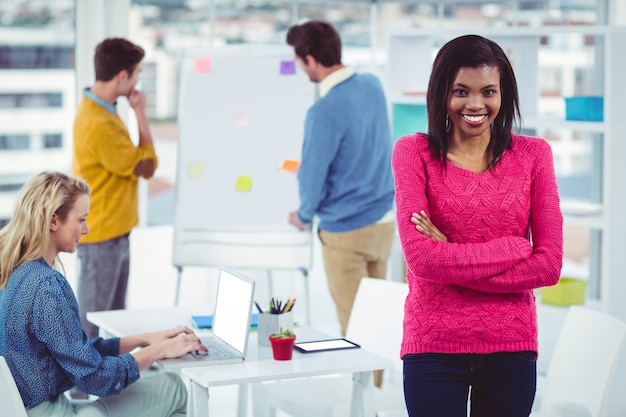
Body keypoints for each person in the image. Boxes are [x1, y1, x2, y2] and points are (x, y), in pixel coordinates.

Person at [392, 34, 563, 416]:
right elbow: (422, 260)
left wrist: (449, 256)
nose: (475, 104)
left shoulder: (535, 155)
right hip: (432, 345)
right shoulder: (413, 153)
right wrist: (514, 248)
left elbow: (549, 266)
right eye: (460, 91)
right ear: (441, 94)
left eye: (488, 91)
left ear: (504, 94)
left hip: (511, 347)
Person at [0, 171, 207, 416]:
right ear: (54, 221)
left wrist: (144, 339)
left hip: (37, 409)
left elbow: (77, 352)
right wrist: (158, 351)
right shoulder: (46, 288)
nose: (86, 229)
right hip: (52, 413)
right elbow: (95, 379)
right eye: (81, 219)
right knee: (173, 387)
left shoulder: (19, 273)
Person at [286, 20, 396, 338]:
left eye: (300, 61)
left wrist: (304, 214)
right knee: (378, 324)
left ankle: (365, 390)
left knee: (356, 327)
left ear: (310, 60)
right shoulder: (373, 85)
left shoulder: (324, 110)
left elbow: (312, 174)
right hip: (384, 226)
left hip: (347, 233)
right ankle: (376, 388)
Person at [73, 37, 158, 339]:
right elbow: (148, 166)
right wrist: (140, 112)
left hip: (114, 234)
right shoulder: (99, 124)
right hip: (103, 237)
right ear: (123, 76)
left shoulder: (104, 110)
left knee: (112, 321)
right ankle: (78, 389)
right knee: (92, 324)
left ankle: (108, 386)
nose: (137, 81)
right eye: (136, 74)